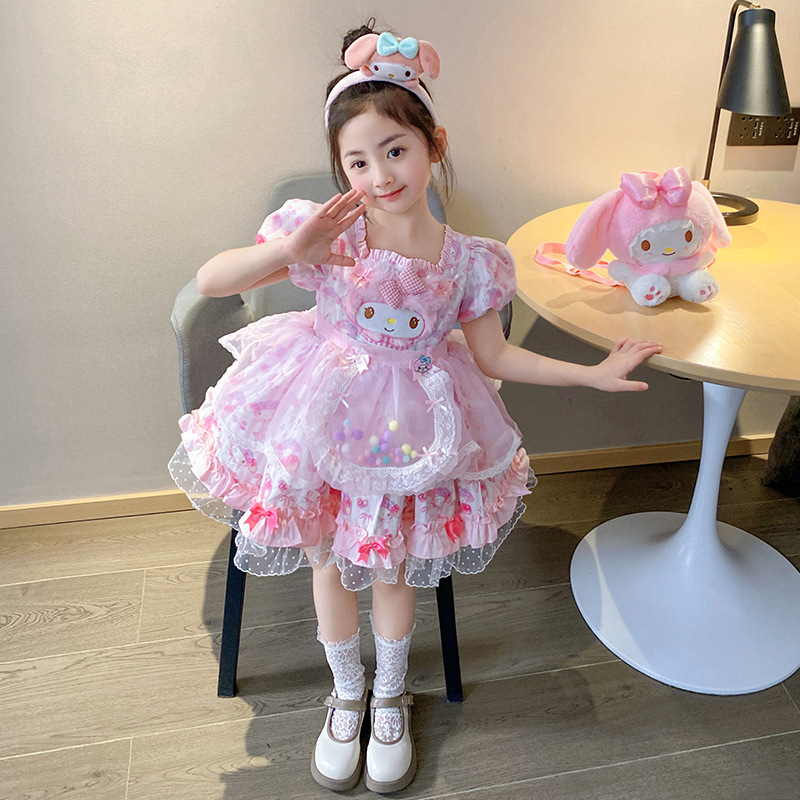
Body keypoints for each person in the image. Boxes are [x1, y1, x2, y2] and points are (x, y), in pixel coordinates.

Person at [169, 22, 662, 795]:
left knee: (393, 566)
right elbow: (212, 280)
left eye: (395, 150)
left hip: (413, 428)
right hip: (321, 417)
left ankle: (390, 698)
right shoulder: (328, 234)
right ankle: (346, 696)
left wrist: (593, 374)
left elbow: (497, 357)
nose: (379, 175)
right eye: (357, 161)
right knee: (328, 560)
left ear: (434, 143)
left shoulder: (471, 261)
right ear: (341, 168)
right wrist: (291, 252)